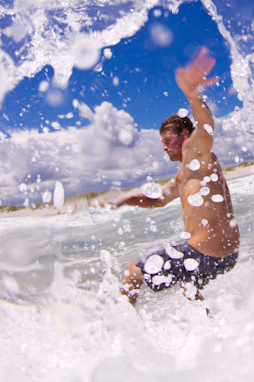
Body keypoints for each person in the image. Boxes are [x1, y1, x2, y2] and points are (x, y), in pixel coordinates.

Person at [103, 47, 240, 305]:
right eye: (163, 143)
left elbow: (206, 128)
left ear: (185, 135)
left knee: (134, 271)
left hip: (206, 252)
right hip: (225, 256)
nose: (165, 148)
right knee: (187, 283)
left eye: (168, 141)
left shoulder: (195, 153)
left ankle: (119, 324)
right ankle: (207, 325)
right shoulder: (184, 176)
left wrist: (193, 96)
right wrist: (125, 200)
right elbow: (157, 200)